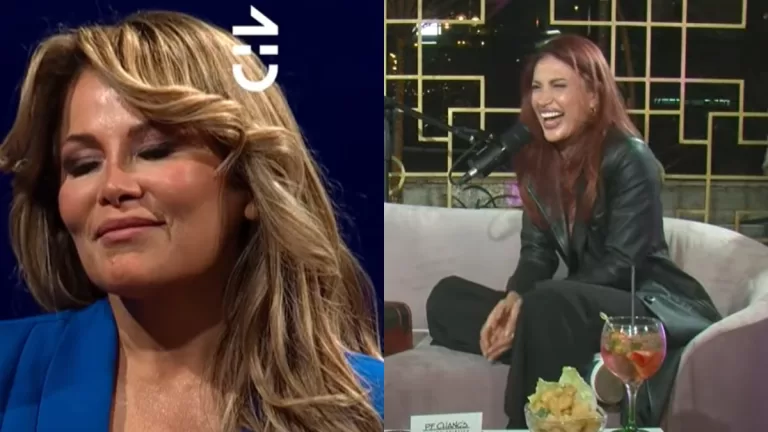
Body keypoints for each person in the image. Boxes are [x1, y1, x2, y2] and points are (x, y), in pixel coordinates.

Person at [0, 11, 382, 432]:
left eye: (155, 151)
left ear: (249, 183)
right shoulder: (9, 371)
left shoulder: (372, 405)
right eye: (83, 164)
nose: (113, 186)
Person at [425, 34, 720, 428]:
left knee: (547, 303)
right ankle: (584, 357)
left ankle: (523, 423)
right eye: (536, 87)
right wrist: (514, 299)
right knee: (447, 298)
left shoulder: (631, 157)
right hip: (573, 308)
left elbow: (623, 264)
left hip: (644, 303)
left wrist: (536, 302)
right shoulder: (539, 164)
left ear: (594, 96)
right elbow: (536, 254)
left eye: (558, 86)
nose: (543, 100)